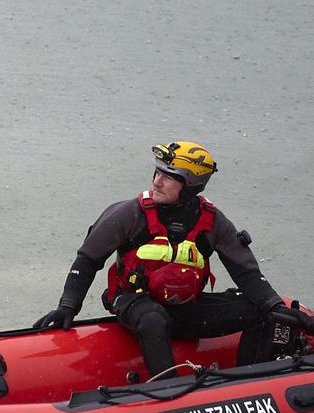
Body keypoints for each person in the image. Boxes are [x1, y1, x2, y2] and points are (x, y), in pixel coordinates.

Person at [33, 141, 295, 379]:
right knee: (154, 320)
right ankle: (169, 393)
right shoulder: (129, 214)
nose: (157, 182)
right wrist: (68, 306)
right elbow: (88, 260)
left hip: (185, 308)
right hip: (133, 302)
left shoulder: (213, 221)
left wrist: (273, 304)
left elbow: (246, 273)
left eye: (168, 177)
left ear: (191, 186)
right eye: (157, 173)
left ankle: (250, 381)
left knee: (263, 311)